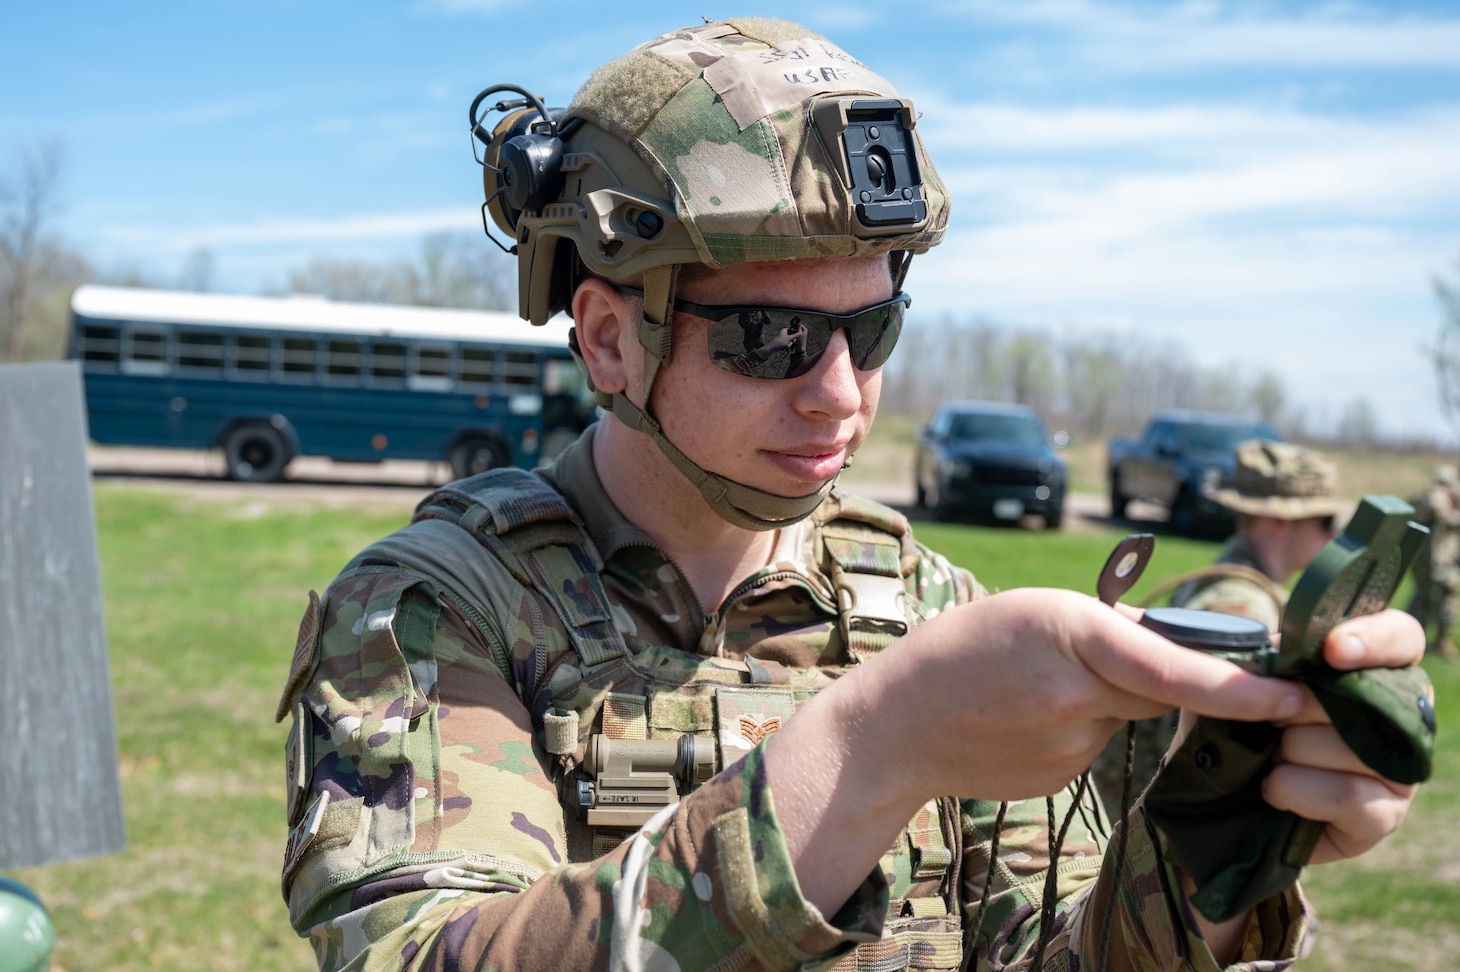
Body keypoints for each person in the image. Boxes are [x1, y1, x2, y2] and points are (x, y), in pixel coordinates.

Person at [276, 19, 1425, 972]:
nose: (838, 396)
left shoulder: (922, 604)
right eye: (772, 337)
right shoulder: (437, 612)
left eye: (869, 331)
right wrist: (870, 751)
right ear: (611, 339)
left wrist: (1211, 857)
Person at [1091, 439, 1347, 812]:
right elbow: (1208, 750)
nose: (1332, 537)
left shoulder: (1237, 581)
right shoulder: (1239, 608)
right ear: (1278, 517)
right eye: (1326, 522)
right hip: (1162, 834)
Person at [1406, 464, 1460, 660]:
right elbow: (1447, 520)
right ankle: (1439, 642)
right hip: (1439, 560)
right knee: (1445, 598)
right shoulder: (1438, 497)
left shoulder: (1421, 497)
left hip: (1423, 558)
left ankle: (1412, 638)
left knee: (1423, 597)